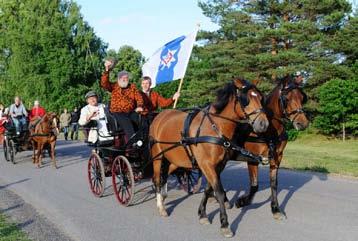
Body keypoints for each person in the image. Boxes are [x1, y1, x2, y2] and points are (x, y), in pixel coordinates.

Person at [101, 60, 144, 143]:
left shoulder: (132, 87)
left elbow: (139, 97)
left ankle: (143, 139)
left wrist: (139, 106)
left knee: (141, 120)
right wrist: (107, 70)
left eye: (126, 78)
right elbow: (104, 83)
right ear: (118, 79)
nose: (125, 79)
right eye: (122, 78)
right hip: (117, 112)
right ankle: (133, 142)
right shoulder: (114, 87)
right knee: (126, 122)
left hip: (131, 112)